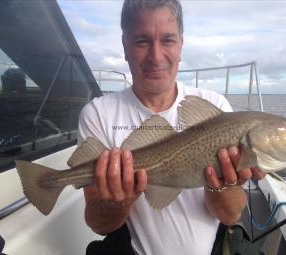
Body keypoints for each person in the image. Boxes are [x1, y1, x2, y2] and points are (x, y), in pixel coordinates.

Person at [79, 0, 265, 254]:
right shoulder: (98, 113)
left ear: (180, 44)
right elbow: (98, 224)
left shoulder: (216, 107)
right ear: (125, 46)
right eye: (142, 41)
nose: (156, 57)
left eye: (167, 40)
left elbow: (230, 215)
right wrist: (120, 201)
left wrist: (219, 184)